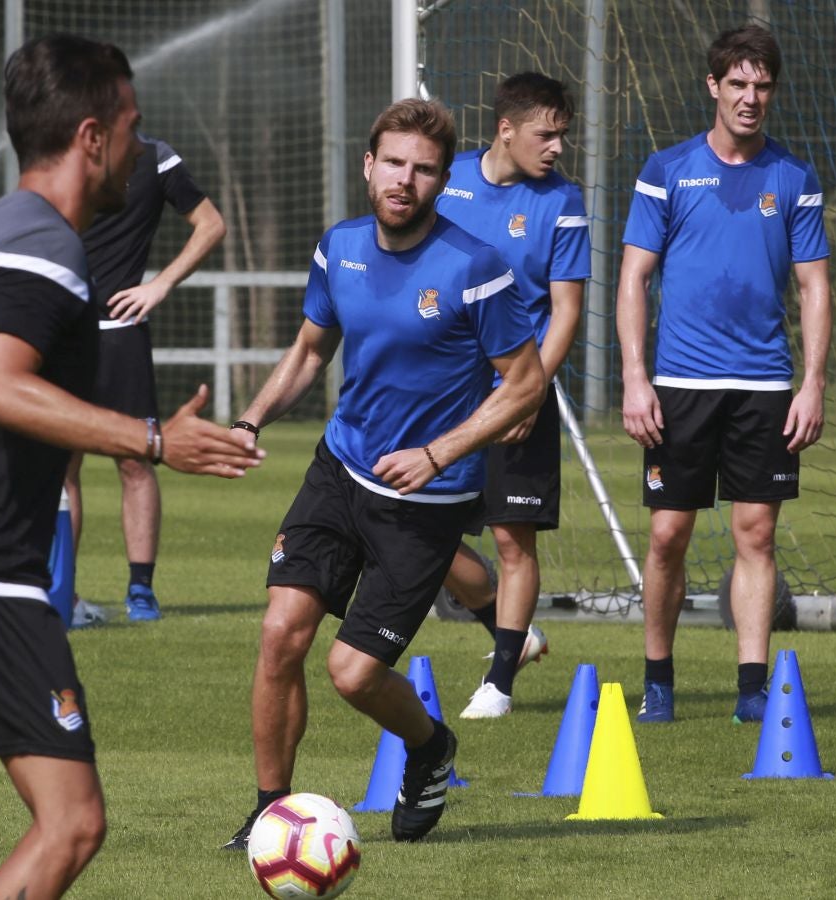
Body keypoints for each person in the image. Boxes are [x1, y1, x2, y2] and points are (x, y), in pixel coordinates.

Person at [0, 35, 263, 898]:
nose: (141, 152)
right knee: (72, 824)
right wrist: (153, 440)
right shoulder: (47, 248)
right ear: (91, 137)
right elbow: (1, 389)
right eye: (133, 129)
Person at [221, 98, 545, 850]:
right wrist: (250, 419)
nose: (406, 180)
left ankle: (430, 748)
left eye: (424, 169)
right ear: (368, 166)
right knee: (280, 635)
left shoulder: (475, 267)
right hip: (339, 469)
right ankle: (273, 814)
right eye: (394, 163)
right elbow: (309, 350)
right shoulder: (339, 247)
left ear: (442, 180)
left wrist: (439, 451)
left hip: (425, 502)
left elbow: (525, 383)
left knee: (353, 674)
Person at [617, 24, 831, 725]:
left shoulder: (794, 178)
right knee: (667, 535)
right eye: (737, 84)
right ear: (713, 87)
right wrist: (635, 378)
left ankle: (751, 690)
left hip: (764, 385)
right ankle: (658, 683)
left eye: (761, 85)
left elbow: (814, 287)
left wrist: (813, 383)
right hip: (679, 385)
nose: (750, 97)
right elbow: (633, 279)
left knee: (756, 536)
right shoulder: (667, 170)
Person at [433, 71, 591, 720]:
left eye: (562, 136)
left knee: (511, 541)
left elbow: (567, 312)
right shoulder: (446, 181)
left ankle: (498, 683)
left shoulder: (564, 201)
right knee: (422, 534)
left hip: (517, 391)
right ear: (505, 129)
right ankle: (516, 634)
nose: (556, 148)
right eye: (544, 134)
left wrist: (527, 394)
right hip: (442, 391)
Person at [65, 134, 228, 626]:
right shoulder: (63, 156)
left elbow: (210, 223)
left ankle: (141, 590)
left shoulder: (155, 158)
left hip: (120, 333)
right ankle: (63, 595)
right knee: (59, 469)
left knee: (136, 460)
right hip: (60, 332)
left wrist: (160, 284)